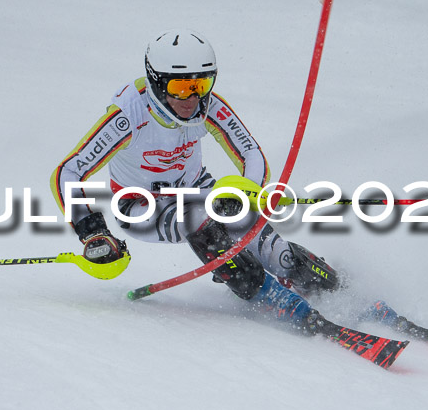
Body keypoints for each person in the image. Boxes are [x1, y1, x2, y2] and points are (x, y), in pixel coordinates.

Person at [50, 29, 340, 334]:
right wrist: (93, 234)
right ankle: (267, 295)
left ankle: (336, 288)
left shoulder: (209, 106)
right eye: (180, 87)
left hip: (196, 187)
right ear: (156, 81)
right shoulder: (128, 116)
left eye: (201, 84)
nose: (192, 98)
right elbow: (68, 172)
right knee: (198, 219)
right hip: (140, 205)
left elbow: (250, 153)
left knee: (271, 248)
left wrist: (246, 190)